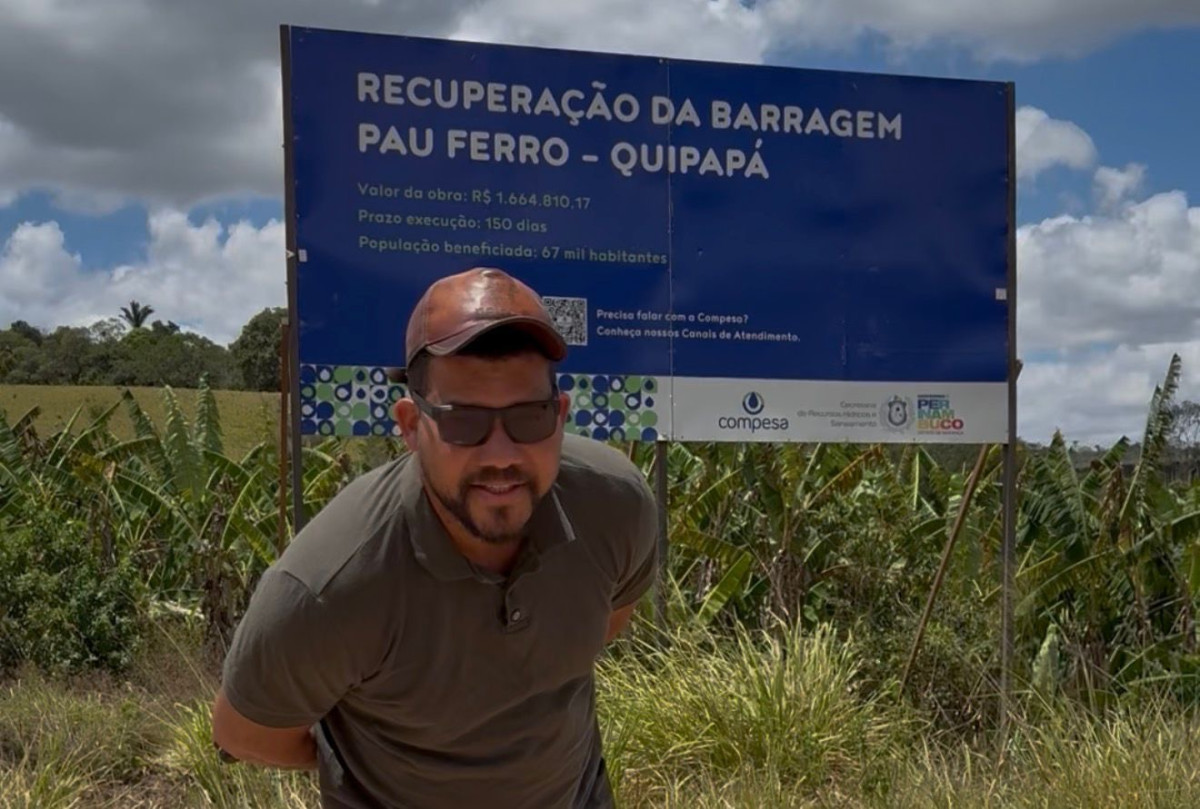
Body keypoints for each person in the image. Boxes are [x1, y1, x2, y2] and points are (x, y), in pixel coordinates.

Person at [211, 266, 660, 808]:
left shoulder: (613, 507)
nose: (501, 454)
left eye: (529, 417)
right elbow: (245, 733)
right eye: (463, 421)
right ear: (409, 425)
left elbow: (610, 619)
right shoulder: (330, 585)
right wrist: (370, 758)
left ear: (560, 415)